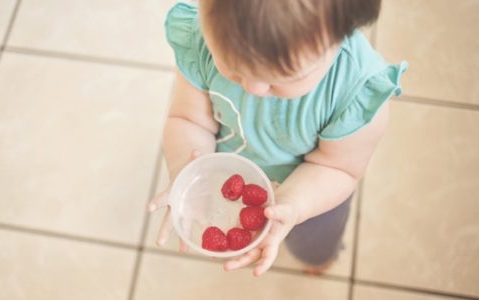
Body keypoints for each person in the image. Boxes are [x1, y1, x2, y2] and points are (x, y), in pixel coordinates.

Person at [148, 0, 407, 277]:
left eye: (282, 78)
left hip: (312, 194)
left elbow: (338, 168)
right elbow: (189, 120)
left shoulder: (355, 91)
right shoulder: (201, 38)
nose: (253, 88)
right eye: (233, 67)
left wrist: (294, 204)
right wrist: (185, 169)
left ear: (341, 34)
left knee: (314, 244)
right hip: (229, 171)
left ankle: (318, 260)